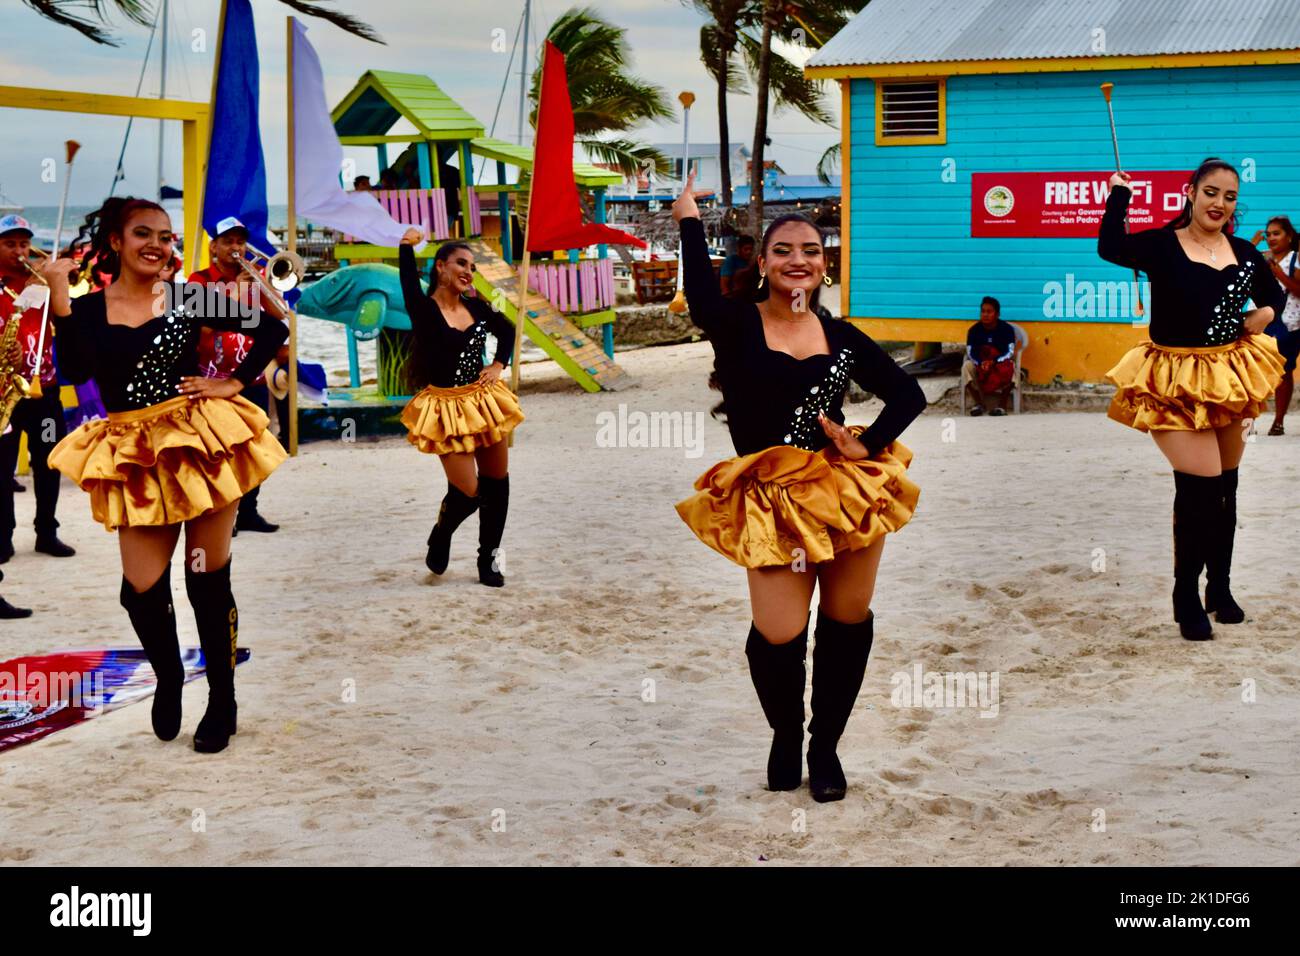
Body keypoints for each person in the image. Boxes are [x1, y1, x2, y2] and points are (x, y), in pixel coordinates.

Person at [672, 171, 926, 802]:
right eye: (783, 250)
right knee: (780, 632)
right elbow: (701, 299)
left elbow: (908, 393)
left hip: (844, 493)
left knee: (847, 620)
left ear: (824, 265)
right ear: (763, 263)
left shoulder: (841, 337)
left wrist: (866, 444)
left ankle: (826, 747)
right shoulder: (735, 323)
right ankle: (787, 734)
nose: (797, 260)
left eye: (810, 251)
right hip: (770, 498)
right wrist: (686, 219)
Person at [42, 197, 288, 753]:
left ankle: (222, 700)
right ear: (116, 242)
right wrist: (60, 296)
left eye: (167, 236)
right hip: (134, 450)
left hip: (199, 441)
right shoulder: (87, 310)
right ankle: (171, 675)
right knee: (141, 590)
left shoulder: (187, 296)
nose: (158, 245)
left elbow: (273, 330)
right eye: (143, 234)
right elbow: (75, 372)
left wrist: (234, 382)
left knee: (206, 578)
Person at [1100, 158, 1285, 641]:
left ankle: (1219, 590)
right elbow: (1111, 246)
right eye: (1211, 192)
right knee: (1200, 490)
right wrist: (1120, 195)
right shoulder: (1163, 245)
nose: (1219, 203)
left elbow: (1274, 297)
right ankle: (1186, 596)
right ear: (1190, 192)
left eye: (1229, 197)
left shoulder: (1244, 253)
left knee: (1226, 490)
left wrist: (1264, 312)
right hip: (1173, 379)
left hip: (1229, 376)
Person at [397, 228, 523, 587]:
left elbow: (509, 330)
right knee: (468, 492)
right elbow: (408, 280)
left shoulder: (478, 307)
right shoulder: (423, 308)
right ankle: (442, 532)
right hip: (445, 407)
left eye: (472, 266)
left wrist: (498, 364)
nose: (468, 271)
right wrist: (406, 246)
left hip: (483, 402)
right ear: (440, 267)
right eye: (461, 263)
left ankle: (489, 561)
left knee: (498, 484)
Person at [186, 217, 286, 534]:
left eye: (240, 241)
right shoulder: (197, 280)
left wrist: (262, 284)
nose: (235, 248)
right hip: (212, 380)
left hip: (250, 376)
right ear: (213, 246)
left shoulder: (252, 277)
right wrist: (234, 295)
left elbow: (279, 316)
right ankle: (221, 514)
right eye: (228, 241)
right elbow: (198, 327)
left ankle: (249, 511)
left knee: (252, 447)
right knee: (218, 450)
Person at [0, 214, 75, 563]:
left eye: (23, 243)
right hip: (5, 394)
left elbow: (67, 319)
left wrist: (57, 280)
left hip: (43, 389)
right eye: (9, 243)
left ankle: (47, 532)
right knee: (2, 469)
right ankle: (3, 536)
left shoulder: (40, 282)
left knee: (49, 462)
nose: (19, 250)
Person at [1250, 216, 1300, 435]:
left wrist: (1276, 270)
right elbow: (1233, 267)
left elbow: (1298, 291)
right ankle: (1248, 422)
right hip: (1261, 321)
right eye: (1268, 234)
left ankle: (1278, 422)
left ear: (1289, 237)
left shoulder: (1296, 259)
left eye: (1276, 233)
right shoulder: (1260, 258)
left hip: (1290, 323)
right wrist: (1252, 245)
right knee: (1250, 370)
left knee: (1284, 372)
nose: (1271, 238)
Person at [964, 296, 1018, 416]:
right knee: (966, 367)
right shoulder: (974, 330)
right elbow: (970, 352)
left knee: (1013, 369)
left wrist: (993, 361)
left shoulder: (1006, 329)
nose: (985, 315)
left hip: (999, 363)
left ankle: (1002, 406)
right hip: (980, 365)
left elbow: (1010, 351)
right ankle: (979, 404)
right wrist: (981, 362)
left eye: (989, 312)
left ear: (997, 314)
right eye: (983, 311)